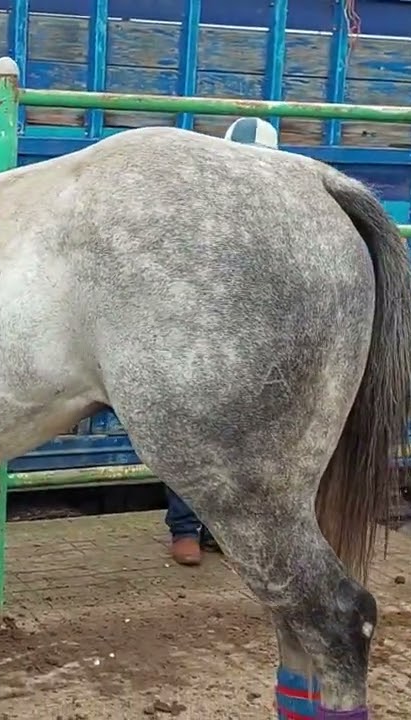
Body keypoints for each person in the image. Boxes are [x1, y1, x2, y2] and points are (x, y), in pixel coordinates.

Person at [165, 116, 280, 567]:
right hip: (203, 339)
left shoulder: (281, 212)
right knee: (189, 436)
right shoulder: (197, 209)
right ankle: (185, 528)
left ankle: (219, 530)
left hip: (251, 339)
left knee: (243, 443)